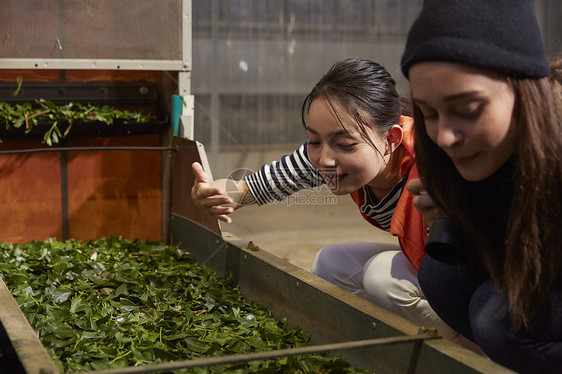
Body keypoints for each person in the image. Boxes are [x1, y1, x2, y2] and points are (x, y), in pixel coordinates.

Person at [192, 57, 481, 351]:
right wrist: (225, 193)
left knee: (383, 278)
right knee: (332, 263)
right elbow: (263, 183)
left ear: (391, 139)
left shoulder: (435, 164)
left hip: (473, 279)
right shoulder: (333, 156)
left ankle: (474, 358)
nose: (325, 160)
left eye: (345, 145)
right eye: (314, 141)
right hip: (429, 264)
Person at [401, 0, 562, 372]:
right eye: (428, 113)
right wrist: (460, 213)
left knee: (499, 320)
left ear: (525, 91)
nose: (445, 136)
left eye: (469, 109)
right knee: (442, 276)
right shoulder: (480, 151)